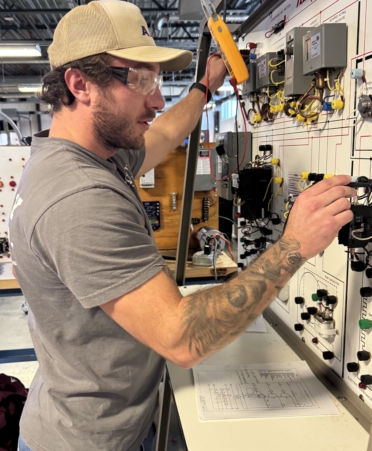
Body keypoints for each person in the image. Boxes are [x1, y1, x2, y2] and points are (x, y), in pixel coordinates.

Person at [9, 2, 355, 451]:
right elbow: (182, 337)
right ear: (80, 85)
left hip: (97, 419)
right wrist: (294, 245)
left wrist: (203, 88)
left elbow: (164, 134)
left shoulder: (86, 155)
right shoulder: (77, 195)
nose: (156, 99)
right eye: (140, 79)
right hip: (86, 440)